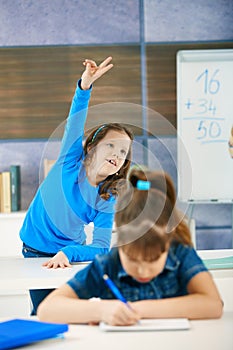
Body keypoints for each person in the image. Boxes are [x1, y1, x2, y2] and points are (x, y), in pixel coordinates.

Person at [19, 56, 134, 314]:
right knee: (43, 312)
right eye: (111, 145)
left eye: (124, 151)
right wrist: (85, 85)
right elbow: (76, 119)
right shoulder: (69, 161)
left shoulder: (107, 197)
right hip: (34, 250)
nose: (118, 154)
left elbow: (101, 247)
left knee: (70, 311)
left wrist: (69, 253)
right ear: (91, 148)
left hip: (71, 255)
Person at [37, 168, 223, 325]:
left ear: (168, 242)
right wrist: (101, 310)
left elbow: (213, 305)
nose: (142, 270)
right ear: (121, 244)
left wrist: (137, 309)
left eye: (152, 259)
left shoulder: (181, 255)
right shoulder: (108, 264)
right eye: (133, 259)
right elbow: (47, 310)